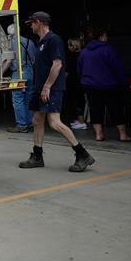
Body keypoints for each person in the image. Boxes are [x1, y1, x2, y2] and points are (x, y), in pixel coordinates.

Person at [18, 12, 96, 172]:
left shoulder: (54, 40)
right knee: (37, 120)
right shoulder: (40, 41)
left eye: (31, 23)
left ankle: (82, 154)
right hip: (40, 87)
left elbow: (57, 65)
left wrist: (47, 86)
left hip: (51, 88)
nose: (30, 26)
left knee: (54, 122)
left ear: (39, 22)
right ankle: (37, 156)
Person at [77, 26, 131, 142]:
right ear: (101, 36)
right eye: (106, 35)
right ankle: (123, 135)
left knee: (95, 110)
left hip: (90, 86)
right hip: (110, 85)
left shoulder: (84, 52)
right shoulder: (109, 50)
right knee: (116, 109)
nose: (107, 38)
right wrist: (123, 84)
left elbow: (80, 70)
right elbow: (118, 69)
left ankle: (99, 134)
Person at [4, 24, 36, 133]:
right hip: (30, 72)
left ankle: (22, 125)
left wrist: (0, 72)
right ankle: (30, 123)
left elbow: (8, 61)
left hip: (18, 73)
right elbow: (34, 58)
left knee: (18, 99)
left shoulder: (12, 43)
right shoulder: (29, 42)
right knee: (28, 98)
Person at [62, 37, 88, 131]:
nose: (69, 47)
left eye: (70, 45)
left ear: (75, 46)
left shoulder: (72, 56)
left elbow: (68, 70)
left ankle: (81, 122)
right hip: (81, 80)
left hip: (75, 81)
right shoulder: (83, 55)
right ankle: (79, 120)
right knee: (78, 100)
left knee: (77, 101)